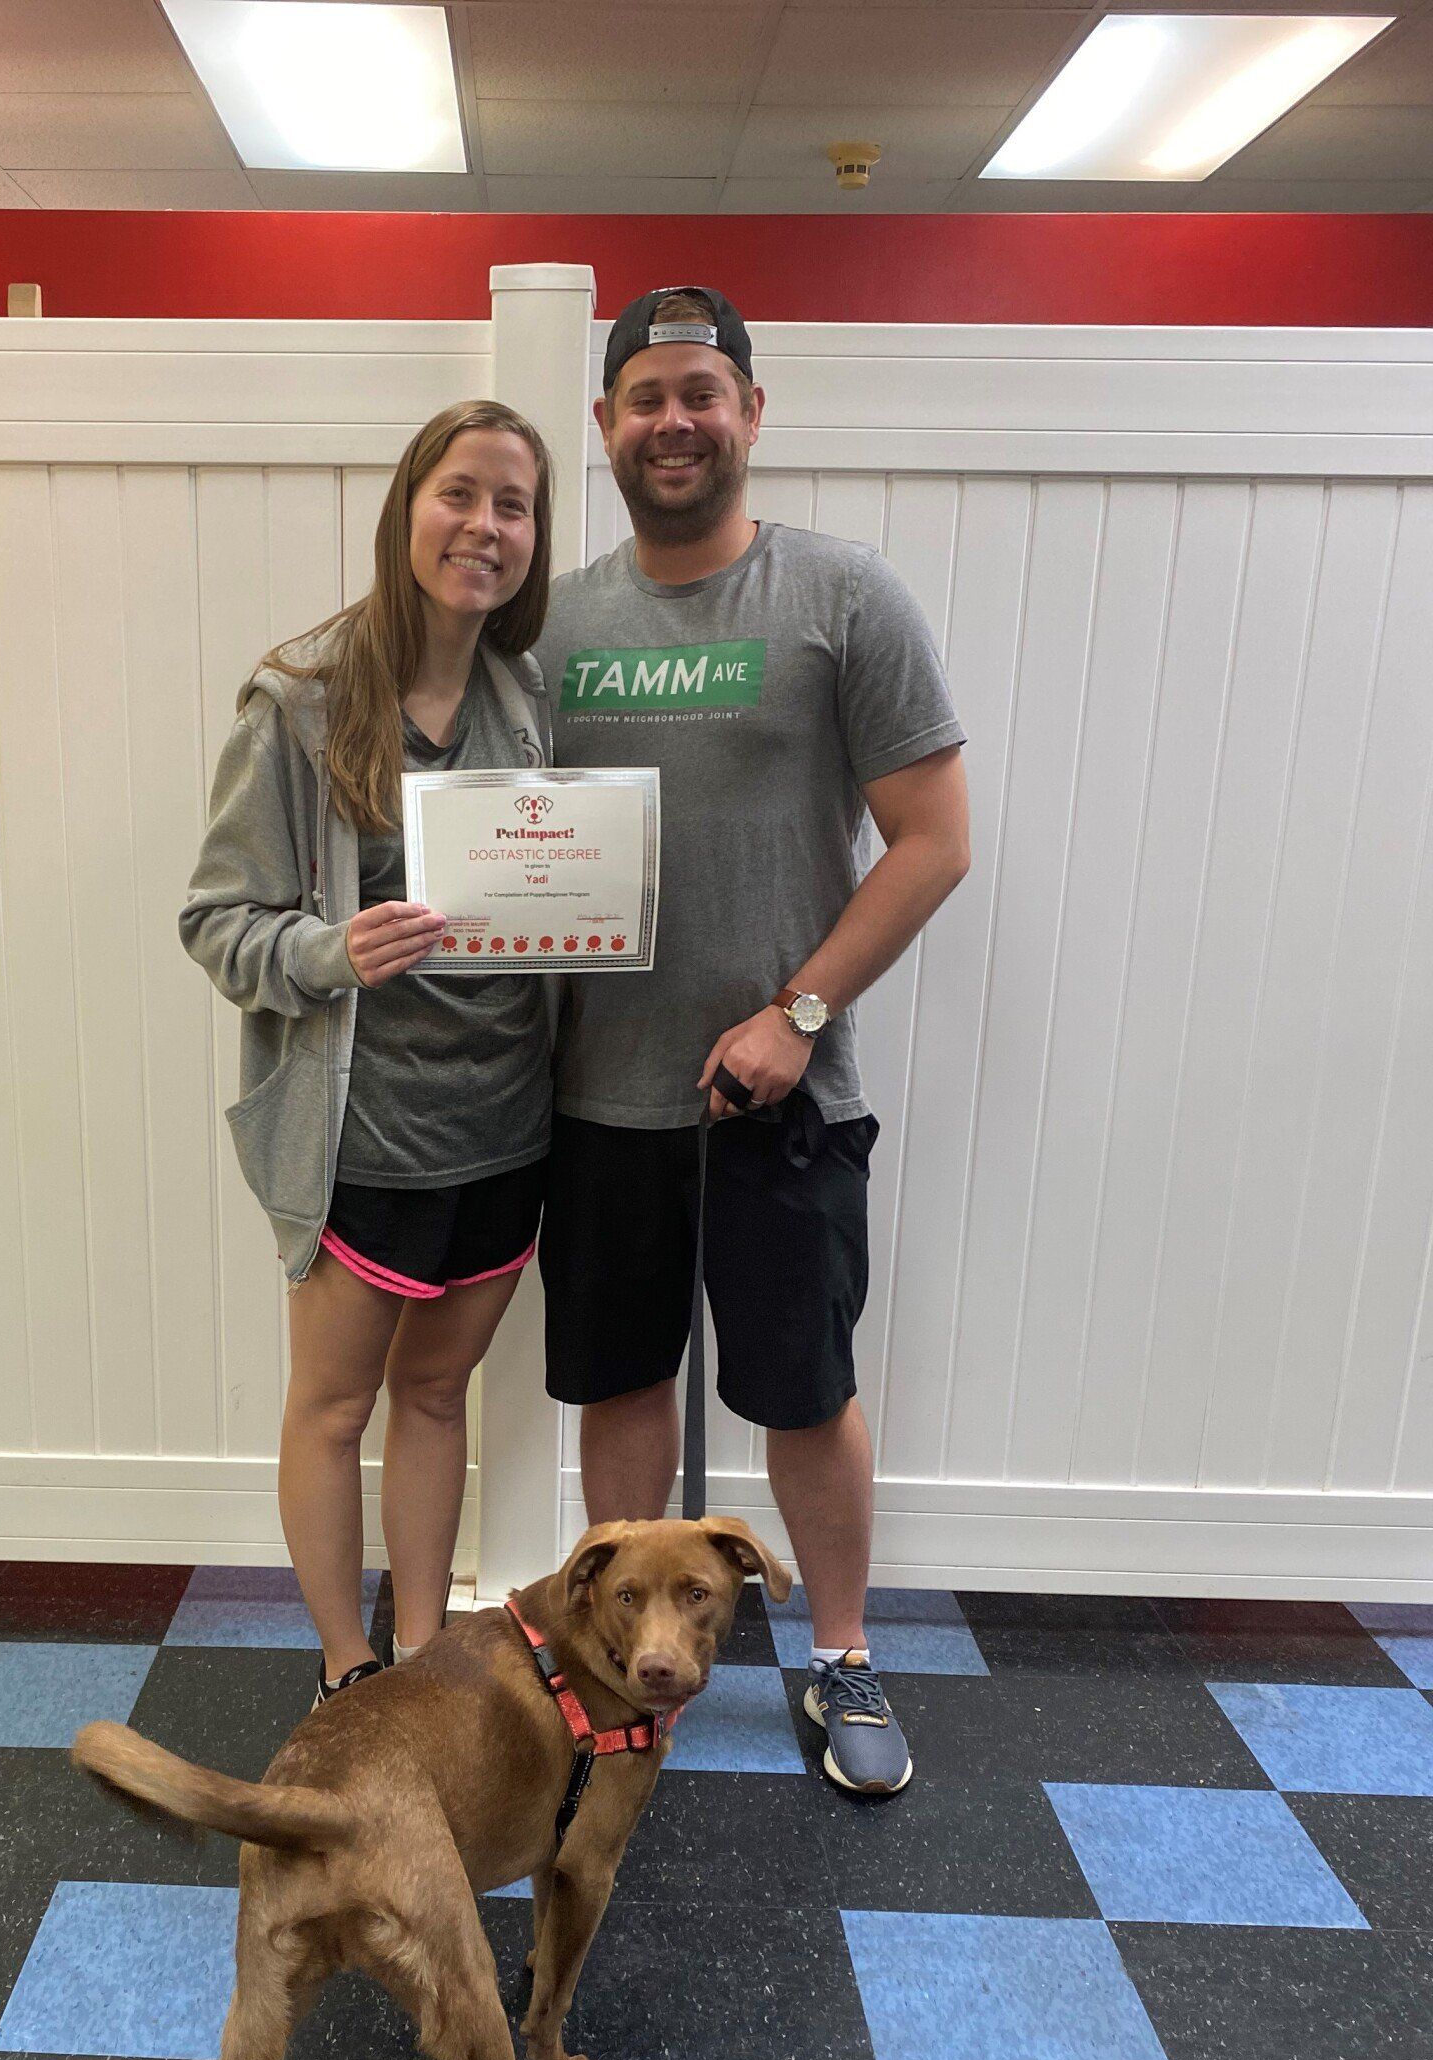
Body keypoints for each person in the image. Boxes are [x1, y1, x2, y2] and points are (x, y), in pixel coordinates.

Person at [536, 287, 972, 1795]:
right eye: (646, 396)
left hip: (782, 1097)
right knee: (619, 1382)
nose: (674, 421)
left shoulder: (844, 599)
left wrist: (799, 1016)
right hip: (594, 1098)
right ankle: (610, 1678)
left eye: (702, 395)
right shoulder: (558, 627)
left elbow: (931, 842)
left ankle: (843, 1658)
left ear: (750, 416)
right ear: (605, 426)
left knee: (804, 1390)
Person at [180, 400, 557, 1706]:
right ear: (409, 505)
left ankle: (422, 1659)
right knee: (337, 1411)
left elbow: (552, 898)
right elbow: (216, 923)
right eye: (462, 494)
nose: (485, 527)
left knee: (440, 1395)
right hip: (366, 1142)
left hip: (507, 1132)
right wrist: (331, 953)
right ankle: (349, 1672)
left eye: (513, 506)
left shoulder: (526, 700)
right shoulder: (300, 701)